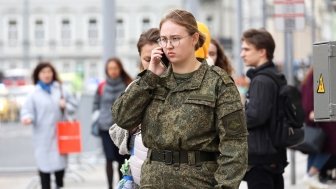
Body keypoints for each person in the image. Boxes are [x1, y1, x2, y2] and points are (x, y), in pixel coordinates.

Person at [112, 9, 247, 188]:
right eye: (164, 39)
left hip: (197, 181)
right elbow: (122, 117)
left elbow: (235, 144)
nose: (168, 45)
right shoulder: (152, 80)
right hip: (153, 181)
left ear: (194, 38)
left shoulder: (218, 83)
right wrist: (149, 77)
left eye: (175, 38)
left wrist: (225, 186)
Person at [109, 28, 160, 188]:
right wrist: (132, 128)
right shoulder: (135, 87)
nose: (153, 62)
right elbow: (116, 129)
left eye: (158, 57)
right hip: (138, 171)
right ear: (140, 58)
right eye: (147, 58)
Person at [241, 28, 288, 189]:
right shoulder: (275, 76)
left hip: (261, 158)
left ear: (262, 52)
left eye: (247, 49)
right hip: (273, 153)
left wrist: (228, 120)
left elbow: (255, 116)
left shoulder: (261, 80)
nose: (242, 54)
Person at [21, 62, 77, 189]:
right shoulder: (34, 93)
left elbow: (74, 105)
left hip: (60, 134)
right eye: (43, 72)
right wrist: (27, 118)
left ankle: (59, 185)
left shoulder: (61, 89)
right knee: (44, 166)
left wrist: (65, 106)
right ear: (38, 75)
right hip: (42, 136)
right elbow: (27, 110)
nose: (46, 74)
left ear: (53, 74)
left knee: (60, 166)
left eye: (49, 72)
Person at [92, 57, 132, 189]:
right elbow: (96, 104)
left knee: (122, 159)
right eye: (110, 68)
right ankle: (109, 186)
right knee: (109, 159)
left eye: (115, 68)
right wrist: (98, 117)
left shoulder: (128, 84)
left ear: (120, 69)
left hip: (123, 129)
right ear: (106, 70)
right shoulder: (101, 86)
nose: (113, 71)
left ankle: (122, 185)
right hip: (105, 128)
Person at [301, 67, 336, 189]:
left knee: (317, 148)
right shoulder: (320, 72)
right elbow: (311, 94)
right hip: (321, 118)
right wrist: (311, 110)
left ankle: (310, 177)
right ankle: (311, 175)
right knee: (329, 146)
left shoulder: (313, 72)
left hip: (318, 117)